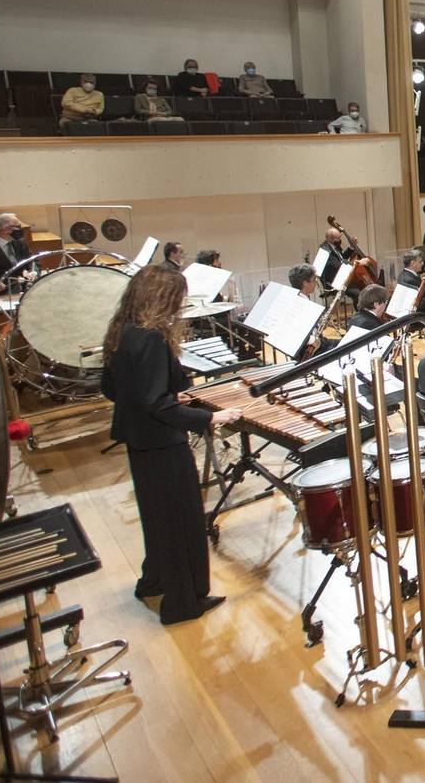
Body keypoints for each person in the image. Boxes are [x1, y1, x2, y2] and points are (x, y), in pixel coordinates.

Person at [103, 265, 240, 624]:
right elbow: (156, 402)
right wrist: (210, 418)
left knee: (158, 518)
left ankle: (155, 581)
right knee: (183, 522)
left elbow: (112, 389)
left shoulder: (122, 330)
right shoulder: (150, 337)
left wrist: (159, 395)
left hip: (139, 440)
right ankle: (183, 602)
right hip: (162, 443)